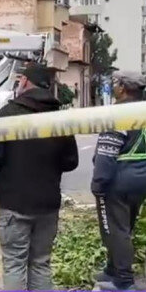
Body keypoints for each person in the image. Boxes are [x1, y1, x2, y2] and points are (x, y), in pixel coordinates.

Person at [0, 62, 79, 290]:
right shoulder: (60, 119)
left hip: (13, 203)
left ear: (25, 82)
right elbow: (71, 162)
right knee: (41, 264)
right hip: (48, 205)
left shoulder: (5, 116)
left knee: (14, 264)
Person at [91, 71, 146, 291]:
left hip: (118, 180)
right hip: (140, 179)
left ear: (122, 88)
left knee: (114, 230)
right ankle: (112, 270)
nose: (113, 87)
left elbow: (107, 151)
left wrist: (98, 184)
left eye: (115, 84)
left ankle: (123, 279)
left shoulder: (119, 114)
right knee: (126, 227)